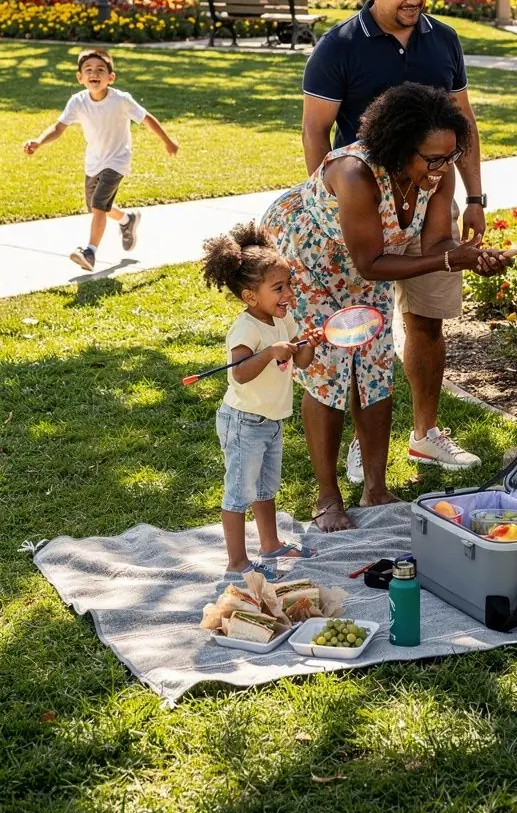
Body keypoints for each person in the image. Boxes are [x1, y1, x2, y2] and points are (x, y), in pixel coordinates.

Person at [264, 82, 515, 532]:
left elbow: (437, 242)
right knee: (328, 369)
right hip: (310, 261)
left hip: (377, 261)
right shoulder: (355, 174)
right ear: (399, 148)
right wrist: (449, 258)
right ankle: (327, 498)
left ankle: (375, 487)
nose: (441, 168)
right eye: (431, 159)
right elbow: (370, 262)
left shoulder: (441, 171)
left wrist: (472, 257)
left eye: (450, 157)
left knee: (374, 365)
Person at [301, 0, 488, 483]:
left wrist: (473, 196)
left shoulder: (444, 40)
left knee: (427, 321)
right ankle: (367, 443)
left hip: (430, 199)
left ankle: (425, 434)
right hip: (362, 208)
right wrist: (328, 206)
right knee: (364, 331)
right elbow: (317, 131)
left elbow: (464, 125)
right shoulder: (338, 46)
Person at [202, 221, 324, 585]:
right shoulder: (247, 330)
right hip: (243, 422)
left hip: (270, 421)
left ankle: (269, 544)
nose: (288, 294)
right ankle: (237, 562)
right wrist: (270, 352)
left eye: (289, 286)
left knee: (265, 489)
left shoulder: (281, 322)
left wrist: (308, 345)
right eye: (279, 288)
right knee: (239, 492)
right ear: (250, 296)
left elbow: (300, 364)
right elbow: (239, 373)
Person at [22, 48, 179, 273]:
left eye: (100, 70)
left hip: (117, 161)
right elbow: (59, 128)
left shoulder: (121, 100)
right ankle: (127, 220)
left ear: (110, 77)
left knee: (97, 206)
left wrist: (167, 141)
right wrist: (38, 142)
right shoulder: (77, 101)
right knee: (99, 207)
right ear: (80, 77)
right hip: (93, 162)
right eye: (88, 70)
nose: (94, 73)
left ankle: (90, 252)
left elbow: (146, 119)